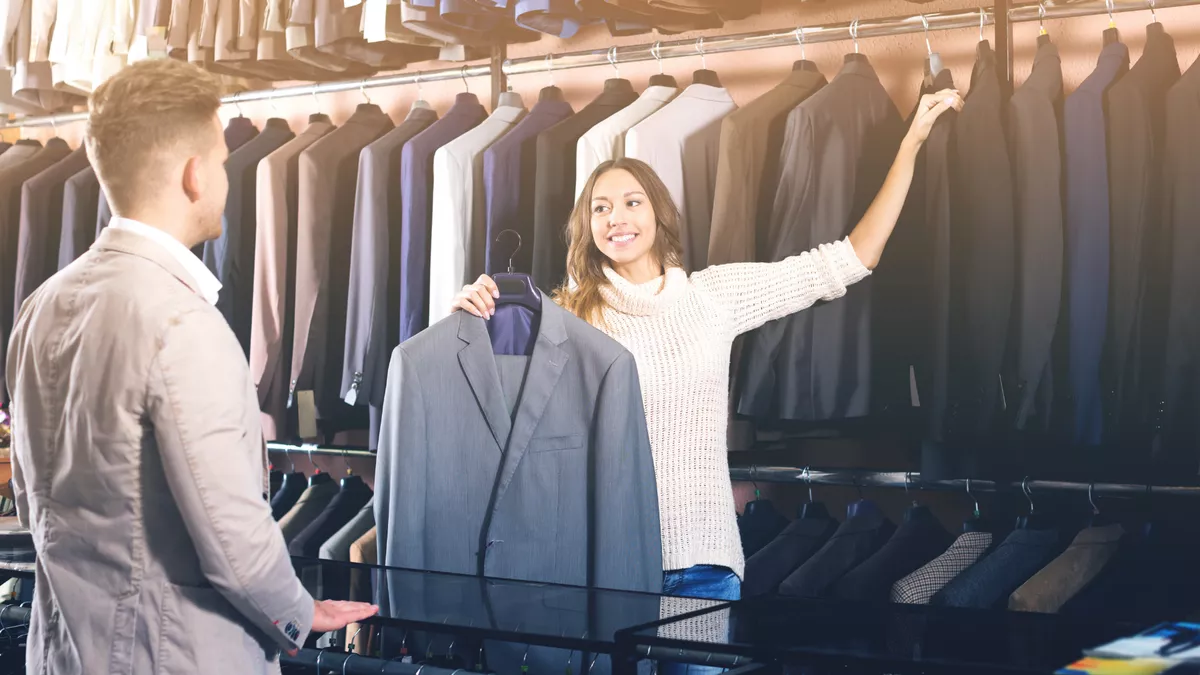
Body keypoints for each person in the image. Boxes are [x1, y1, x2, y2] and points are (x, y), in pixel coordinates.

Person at [451, 89, 963, 614]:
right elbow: (490, 404)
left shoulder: (713, 296)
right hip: (607, 564)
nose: (616, 218)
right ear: (587, 226)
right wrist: (466, 317)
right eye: (600, 208)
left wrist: (912, 144)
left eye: (632, 202)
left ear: (659, 214)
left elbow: (851, 259)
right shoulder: (566, 317)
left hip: (704, 563)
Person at [5, 59, 377, 674]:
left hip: (63, 649)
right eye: (224, 163)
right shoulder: (184, 324)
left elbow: (31, 494)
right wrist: (298, 609)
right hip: (171, 655)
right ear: (194, 174)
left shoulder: (41, 305)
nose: (227, 180)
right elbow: (232, 537)